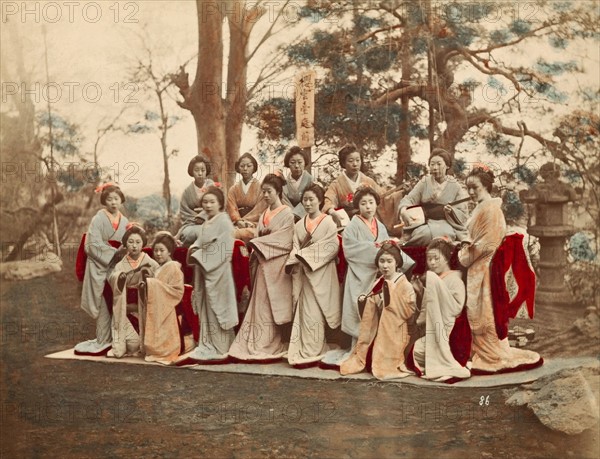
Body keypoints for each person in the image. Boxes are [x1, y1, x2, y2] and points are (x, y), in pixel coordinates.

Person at [459, 165, 542, 373]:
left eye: (474, 187)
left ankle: (490, 353)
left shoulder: (491, 209)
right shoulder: (481, 207)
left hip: (486, 265)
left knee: (486, 311)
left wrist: (463, 254)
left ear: (486, 186)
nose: (470, 192)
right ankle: (478, 349)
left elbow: (487, 243)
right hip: (479, 264)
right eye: (468, 188)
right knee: (479, 310)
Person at [321, 187, 414, 366]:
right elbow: (350, 251)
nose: (368, 207)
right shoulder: (352, 226)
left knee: (377, 314)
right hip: (359, 275)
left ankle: (373, 352)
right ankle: (359, 350)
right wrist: (377, 247)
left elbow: (387, 249)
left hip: (377, 275)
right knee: (360, 312)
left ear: (376, 204)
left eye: (371, 202)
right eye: (363, 203)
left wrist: (387, 248)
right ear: (358, 206)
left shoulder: (379, 225)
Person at [228, 174, 295, 361]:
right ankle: (254, 342)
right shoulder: (265, 213)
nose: (265, 195)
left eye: (269, 191)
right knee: (258, 306)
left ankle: (267, 343)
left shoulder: (287, 214)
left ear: (278, 192)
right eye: (263, 192)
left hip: (276, 265)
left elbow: (284, 240)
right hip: (262, 263)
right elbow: (258, 234)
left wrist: (258, 242)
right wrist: (258, 241)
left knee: (269, 306)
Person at [340, 241, 416, 380]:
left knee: (380, 362)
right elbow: (372, 304)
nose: (385, 265)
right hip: (377, 328)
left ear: (397, 263)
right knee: (366, 357)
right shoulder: (379, 281)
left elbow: (409, 312)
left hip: (395, 329)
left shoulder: (404, 284)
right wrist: (367, 300)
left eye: (389, 261)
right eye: (381, 261)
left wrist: (390, 299)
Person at [286, 184, 341, 366]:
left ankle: (314, 349)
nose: (308, 203)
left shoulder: (328, 222)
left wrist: (306, 256)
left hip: (320, 273)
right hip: (303, 273)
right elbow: (295, 246)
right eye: (305, 200)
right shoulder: (299, 224)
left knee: (315, 312)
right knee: (304, 313)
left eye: (311, 199)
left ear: (320, 201)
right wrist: (296, 258)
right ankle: (304, 348)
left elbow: (332, 246)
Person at [75, 183, 129, 356]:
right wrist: (114, 252)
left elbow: (128, 242)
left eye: (116, 199)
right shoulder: (98, 219)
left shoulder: (124, 221)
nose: (113, 202)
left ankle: (115, 338)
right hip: (99, 264)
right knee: (102, 302)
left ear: (121, 200)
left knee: (117, 300)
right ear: (104, 201)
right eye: (109, 199)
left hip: (116, 265)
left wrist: (123, 251)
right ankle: (103, 339)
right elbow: (91, 244)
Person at [187, 186, 239, 362]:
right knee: (207, 307)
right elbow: (198, 243)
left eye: (212, 202)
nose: (208, 205)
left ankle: (221, 347)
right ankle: (208, 344)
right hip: (205, 271)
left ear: (220, 204)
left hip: (219, 272)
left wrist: (199, 255)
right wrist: (194, 249)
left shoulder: (224, 221)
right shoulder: (206, 223)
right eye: (205, 202)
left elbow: (224, 248)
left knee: (219, 307)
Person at [410, 237, 471, 382]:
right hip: (434, 329)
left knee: (416, 351)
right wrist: (420, 292)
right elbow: (427, 308)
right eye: (429, 259)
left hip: (449, 331)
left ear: (447, 257)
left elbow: (456, 308)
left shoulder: (455, 279)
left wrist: (438, 292)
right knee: (413, 349)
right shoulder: (434, 280)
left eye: (436, 258)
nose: (432, 263)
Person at [398, 148, 468, 246]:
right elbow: (409, 199)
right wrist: (403, 210)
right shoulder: (424, 182)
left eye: (439, 164)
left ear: (447, 165)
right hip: (423, 222)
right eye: (432, 164)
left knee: (444, 236)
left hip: (446, 223)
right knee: (423, 234)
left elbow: (463, 211)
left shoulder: (455, 186)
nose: (435, 167)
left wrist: (451, 211)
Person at [107, 225, 159, 358]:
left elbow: (159, 284)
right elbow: (113, 279)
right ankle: (124, 345)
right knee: (133, 344)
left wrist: (147, 278)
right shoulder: (119, 265)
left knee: (146, 344)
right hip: (125, 308)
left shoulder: (151, 263)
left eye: (138, 242)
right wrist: (119, 278)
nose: (134, 246)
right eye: (130, 242)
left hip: (145, 308)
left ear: (143, 243)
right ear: (125, 244)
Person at [141, 231, 185, 364]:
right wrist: (146, 285)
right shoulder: (160, 267)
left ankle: (163, 350)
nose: (158, 254)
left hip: (169, 310)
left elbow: (177, 291)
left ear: (170, 252)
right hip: (159, 307)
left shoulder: (173, 267)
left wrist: (152, 283)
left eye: (162, 250)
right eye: (156, 250)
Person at [322, 144, 382, 227]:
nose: (355, 164)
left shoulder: (368, 181)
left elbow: (384, 197)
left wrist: (400, 192)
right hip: (347, 223)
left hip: (368, 220)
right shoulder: (336, 184)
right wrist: (332, 212)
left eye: (358, 160)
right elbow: (329, 201)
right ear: (343, 163)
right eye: (350, 161)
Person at [226, 152, 267, 244]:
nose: (245, 169)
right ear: (238, 168)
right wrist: (238, 221)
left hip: (255, 224)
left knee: (237, 234)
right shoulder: (233, 189)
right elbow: (231, 208)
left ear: (254, 168)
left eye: (249, 166)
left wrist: (246, 222)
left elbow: (260, 209)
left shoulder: (261, 188)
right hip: (237, 223)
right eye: (242, 166)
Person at [176, 155, 214, 247]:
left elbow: (220, 208)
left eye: (203, 170)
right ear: (192, 172)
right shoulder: (187, 192)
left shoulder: (213, 188)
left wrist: (203, 216)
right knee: (187, 234)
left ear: (207, 171)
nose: (200, 173)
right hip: (192, 225)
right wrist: (196, 219)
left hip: (212, 222)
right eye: (196, 170)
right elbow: (184, 212)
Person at [281, 146, 313, 221]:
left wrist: (297, 214)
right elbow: (284, 201)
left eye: (300, 162)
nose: (296, 166)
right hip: (288, 217)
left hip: (307, 216)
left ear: (305, 163)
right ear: (288, 164)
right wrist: (292, 214)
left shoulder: (310, 180)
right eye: (292, 163)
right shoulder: (283, 183)